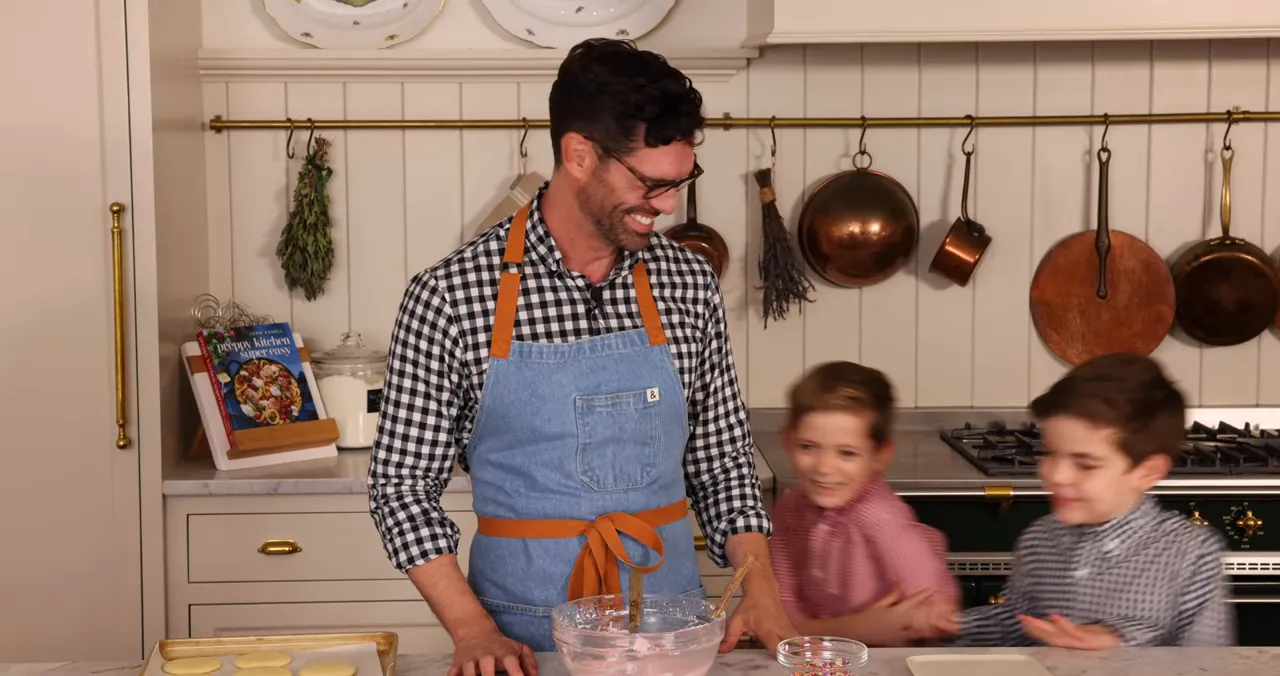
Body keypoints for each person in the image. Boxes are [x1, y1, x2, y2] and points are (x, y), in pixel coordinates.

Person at [367, 38, 796, 676]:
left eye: (681, 181)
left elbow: (723, 458)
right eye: (651, 183)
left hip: (671, 631)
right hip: (521, 639)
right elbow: (401, 490)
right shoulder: (453, 295)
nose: (669, 205)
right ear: (578, 155)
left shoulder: (688, 283)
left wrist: (760, 587)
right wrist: (472, 630)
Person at [942, 352, 1233, 648]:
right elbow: (1019, 622)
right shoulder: (1039, 540)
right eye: (1049, 453)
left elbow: (1207, 662)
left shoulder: (1190, 554)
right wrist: (949, 624)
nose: (1056, 475)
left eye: (1085, 464)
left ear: (1148, 472)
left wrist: (1115, 641)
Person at [769, 361, 959, 646]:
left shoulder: (880, 517)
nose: (824, 468)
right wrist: (857, 629)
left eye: (846, 453)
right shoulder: (790, 509)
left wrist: (926, 619)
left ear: (880, 455)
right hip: (821, 658)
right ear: (787, 440)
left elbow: (935, 612)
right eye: (809, 447)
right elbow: (781, 615)